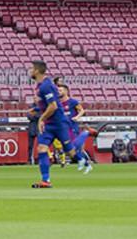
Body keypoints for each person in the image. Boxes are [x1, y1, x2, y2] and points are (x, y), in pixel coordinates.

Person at [29, 60, 86, 189]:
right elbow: (48, 104)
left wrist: (41, 118)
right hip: (49, 124)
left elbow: (53, 106)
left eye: (31, 68)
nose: (29, 71)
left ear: (37, 70)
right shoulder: (40, 85)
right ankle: (45, 181)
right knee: (42, 149)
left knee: (70, 152)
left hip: (59, 123)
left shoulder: (45, 86)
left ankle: (86, 140)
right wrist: (38, 110)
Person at [59, 84, 93, 174]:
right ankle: (85, 163)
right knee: (68, 149)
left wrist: (77, 117)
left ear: (66, 91)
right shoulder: (58, 103)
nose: (59, 92)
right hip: (63, 128)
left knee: (74, 147)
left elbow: (81, 110)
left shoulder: (72, 102)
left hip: (72, 127)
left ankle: (85, 162)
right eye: (58, 90)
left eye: (61, 90)